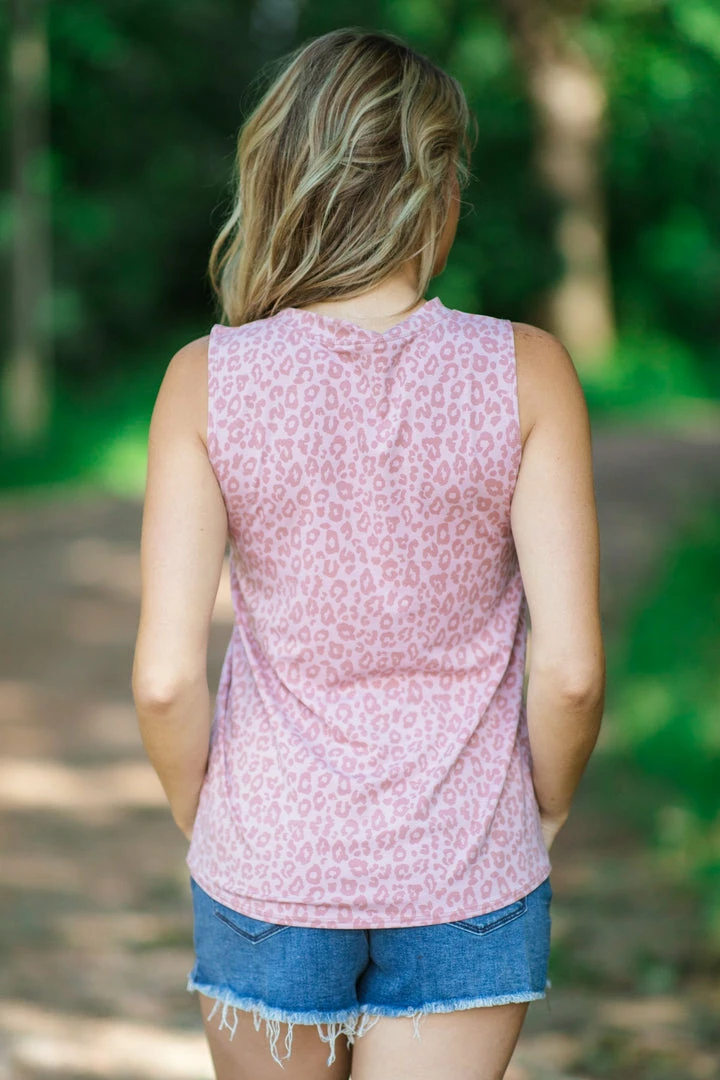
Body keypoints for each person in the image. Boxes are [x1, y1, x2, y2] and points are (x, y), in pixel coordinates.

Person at [132, 26, 605, 1080]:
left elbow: (165, 681)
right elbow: (570, 674)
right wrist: (544, 813)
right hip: (469, 873)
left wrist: (214, 830)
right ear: (437, 188)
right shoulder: (527, 374)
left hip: (267, 871)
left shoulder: (204, 383)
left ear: (280, 179)